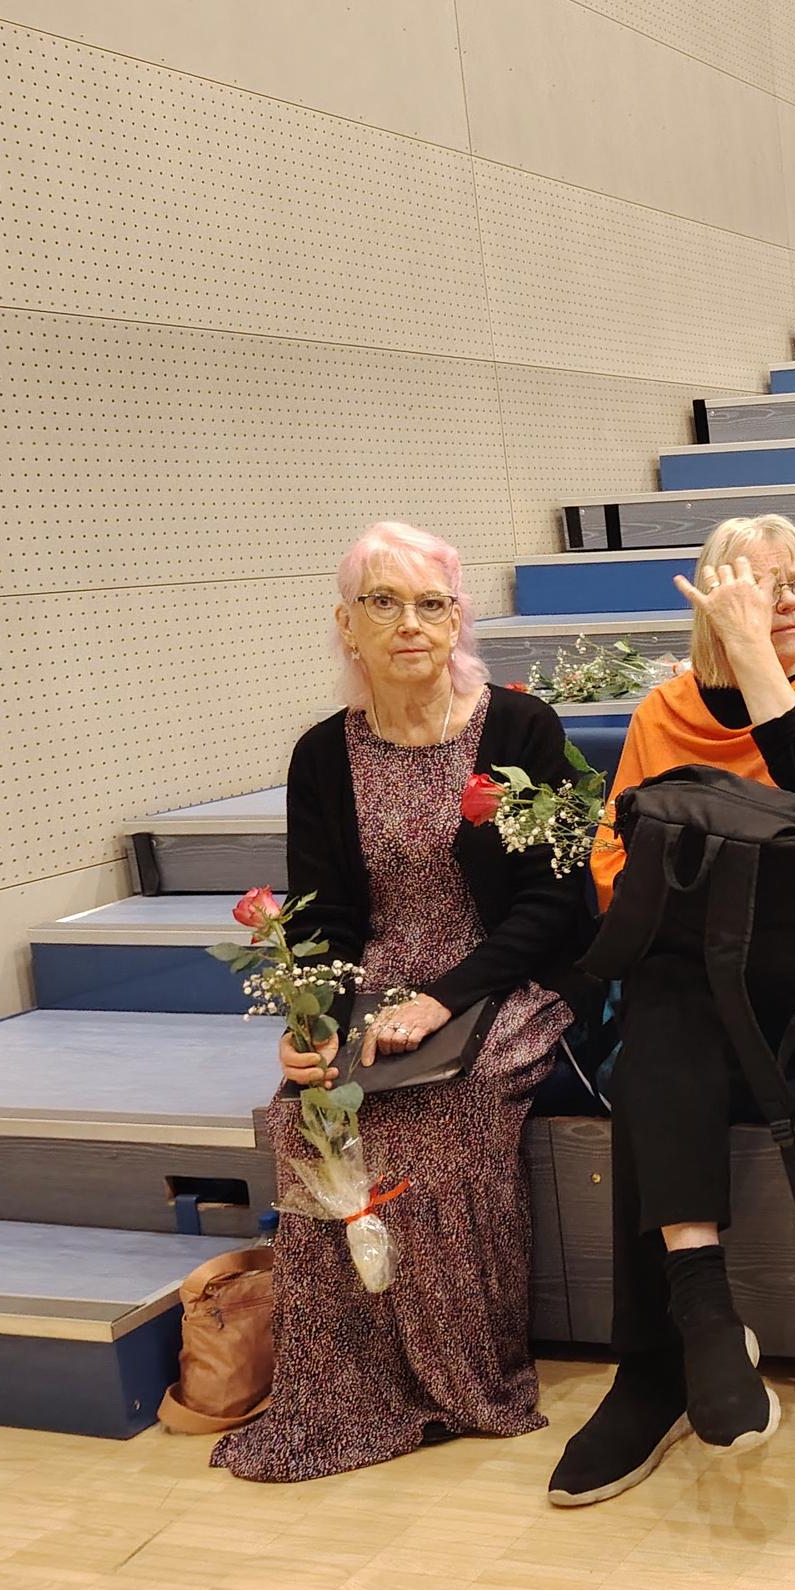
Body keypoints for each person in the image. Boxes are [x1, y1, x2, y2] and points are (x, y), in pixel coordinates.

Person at [214, 523, 593, 1482]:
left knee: (441, 1104)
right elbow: (326, 918)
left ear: (458, 619)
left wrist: (441, 1000)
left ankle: (461, 1374)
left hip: (503, 977)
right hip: (375, 981)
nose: (409, 623)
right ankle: (350, 1380)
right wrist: (312, 1028)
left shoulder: (518, 728)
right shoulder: (321, 754)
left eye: (431, 603)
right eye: (383, 602)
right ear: (348, 624)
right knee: (311, 1110)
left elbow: (554, 904)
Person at [549, 516, 795, 1507]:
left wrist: (757, 663)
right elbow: (614, 859)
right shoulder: (664, 710)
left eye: (794, 586)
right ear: (708, 602)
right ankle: (700, 1324)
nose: (777, 603)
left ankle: (656, 1363)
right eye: (749, 587)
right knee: (666, 1005)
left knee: (664, 1025)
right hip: (686, 978)